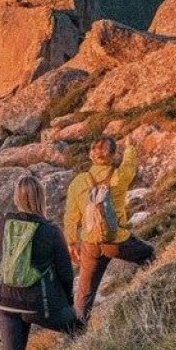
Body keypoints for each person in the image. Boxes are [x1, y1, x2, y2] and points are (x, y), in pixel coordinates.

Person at [0, 175, 84, 350]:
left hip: (5, 303)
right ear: (41, 198)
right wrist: (68, 304)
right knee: (80, 328)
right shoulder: (51, 231)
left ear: (17, 198)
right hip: (38, 305)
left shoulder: (1, 224)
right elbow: (66, 274)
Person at [65, 136, 155, 323]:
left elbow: (70, 217)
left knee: (84, 296)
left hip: (90, 245)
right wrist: (130, 147)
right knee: (150, 255)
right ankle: (153, 294)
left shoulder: (78, 182)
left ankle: (75, 334)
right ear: (113, 155)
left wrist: (71, 242)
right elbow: (130, 166)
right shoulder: (118, 176)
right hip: (117, 240)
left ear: (91, 155)